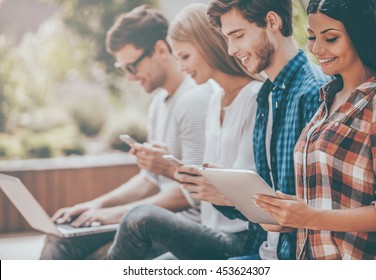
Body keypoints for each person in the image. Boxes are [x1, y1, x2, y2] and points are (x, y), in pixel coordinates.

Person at [40, 5, 212, 259]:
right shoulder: (159, 103)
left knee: (95, 256)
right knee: (59, 236)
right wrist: (94, 205)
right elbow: (150, 180)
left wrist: (116, 213)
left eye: (132, 67)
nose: (130, 78)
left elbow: (192, 193)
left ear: (161, 49)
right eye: (123, 69)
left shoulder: (195, 100)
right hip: (152, 219)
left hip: (184, 226)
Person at [106, 4, 263, 260]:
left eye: (186, 57)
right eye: (178, 58)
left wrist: (171, 169)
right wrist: (172, 165)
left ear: (210, 46)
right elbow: (206, 179)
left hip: (241, 237)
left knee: (140, 218)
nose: (181, 68)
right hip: (211, 230)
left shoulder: (254, 99)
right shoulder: (215, 101)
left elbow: (246, 187)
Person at [254, 0, 376, 260]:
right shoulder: (327, 100)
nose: (317, 49)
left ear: (361, 34)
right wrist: (290, 216)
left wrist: (313, 217)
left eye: (330, 38)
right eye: (311, 37)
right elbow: (327, 201)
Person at [206, 0, 330, 260]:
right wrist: (224, 192)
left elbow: (315, 209)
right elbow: (269, 206)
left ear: (272, 22)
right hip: (264, 253)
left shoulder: (315, 93)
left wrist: (230, 196)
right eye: (227, 39)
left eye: (238, 35)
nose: (231, 49)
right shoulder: (265, 97)